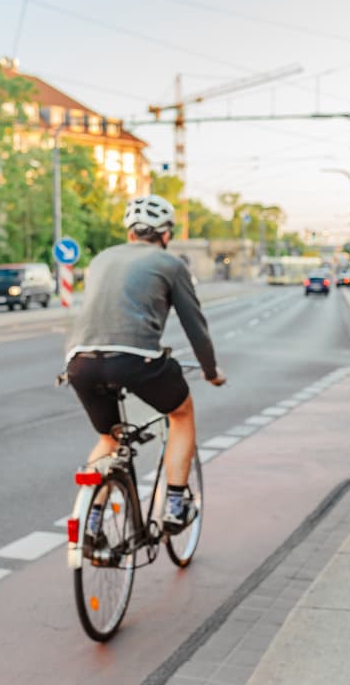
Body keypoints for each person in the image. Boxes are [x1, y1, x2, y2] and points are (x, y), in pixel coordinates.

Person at [64, 194, 226, 537]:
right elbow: (195, 327)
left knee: (109, 437)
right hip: (134, 359)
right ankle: (175, 505)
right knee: (181, 414)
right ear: (166, 234)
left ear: (130, 232)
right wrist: (211, 372)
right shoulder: (170, 264)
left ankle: (92, 522)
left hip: (79, 362)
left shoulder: (102, 259)